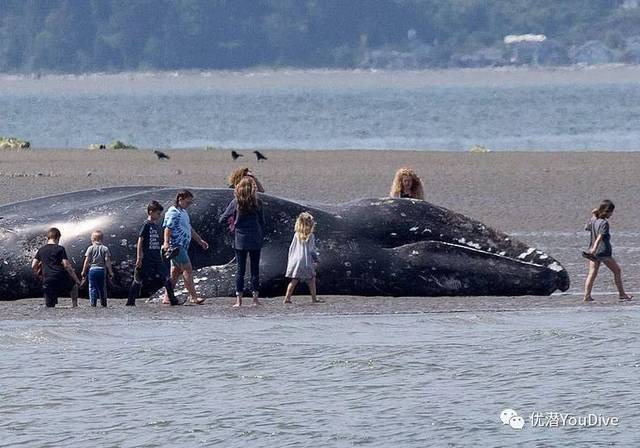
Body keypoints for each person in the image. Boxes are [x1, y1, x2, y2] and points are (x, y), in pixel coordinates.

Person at [219, 177, 265, 307]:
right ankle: (255, 299)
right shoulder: (258, 202)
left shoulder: (236, 202)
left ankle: (238, 300)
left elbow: (222, 219)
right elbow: (262, 222)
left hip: (240, 239)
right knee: (255, 270)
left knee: (240, 270)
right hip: (255, 238)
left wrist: (232, 225)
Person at [127, 200, 181, 306]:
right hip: (147, 258)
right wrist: (139, 257)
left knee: (166, 276)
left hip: (156, 257)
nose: (159, 216)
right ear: (151, 212)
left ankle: (172, 299)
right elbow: (140, 240)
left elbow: (156, 242)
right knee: (138, 278)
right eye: (158, 213)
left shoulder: (155, 226)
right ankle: (130, 301)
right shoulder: (146, 225)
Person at [162, 190, 209, 305]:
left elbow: (189, 229)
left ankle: (167, 296)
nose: (189, 205)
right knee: (187, 269)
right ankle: (193, 296)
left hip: (182, 246)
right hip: (176, 246)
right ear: (180, 199)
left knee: (175, 272)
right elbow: (168, 228)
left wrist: (200, 240)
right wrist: (166, 242)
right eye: (188, 202)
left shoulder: (183, 212)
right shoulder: (173, 212)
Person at [583, 199, 632, 302]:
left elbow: (587, 227)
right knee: (617, 270)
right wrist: (594, 249)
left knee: (592, 273)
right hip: (602, 252)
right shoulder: (604, 223)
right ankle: (622, 294)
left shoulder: (594, 220)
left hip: (593, 251)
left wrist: (593, 215)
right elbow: (599, 237)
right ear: (607, 211)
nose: (611, 214)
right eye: (611, 212)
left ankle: (587, 296)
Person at [32, 227, 81, 308]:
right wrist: (76, 279)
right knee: (73, 286)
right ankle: (74, 305)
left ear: (48, 238)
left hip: (47, 278)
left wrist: (37, 275)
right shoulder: (60, 249)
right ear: (58, 237)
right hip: (60, 277)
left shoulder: (41, 250)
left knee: (50, 306)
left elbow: (33, 265)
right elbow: (66, 265)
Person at [283, 212, 322, 304]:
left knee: (294, 280)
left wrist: (291, 259)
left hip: (296, 260)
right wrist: (316, 259)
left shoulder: (296, 235)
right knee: (311, 279)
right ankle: (314, 298)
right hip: (306, 261)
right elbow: (311, 250)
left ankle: (287, 298)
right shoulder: (311, 236)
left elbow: (291, 247)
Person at [80, 230, 114, 307]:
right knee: (102, 287)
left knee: (92, 287)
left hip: (92, 270)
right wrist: (111, 272)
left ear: (92, 239)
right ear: (102, 239)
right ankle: (103, 303)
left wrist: (83, 271)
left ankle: (93, 303)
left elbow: (87, 260)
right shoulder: (105, 249)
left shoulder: (90, 248)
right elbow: (107, 261)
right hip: (102, 270)